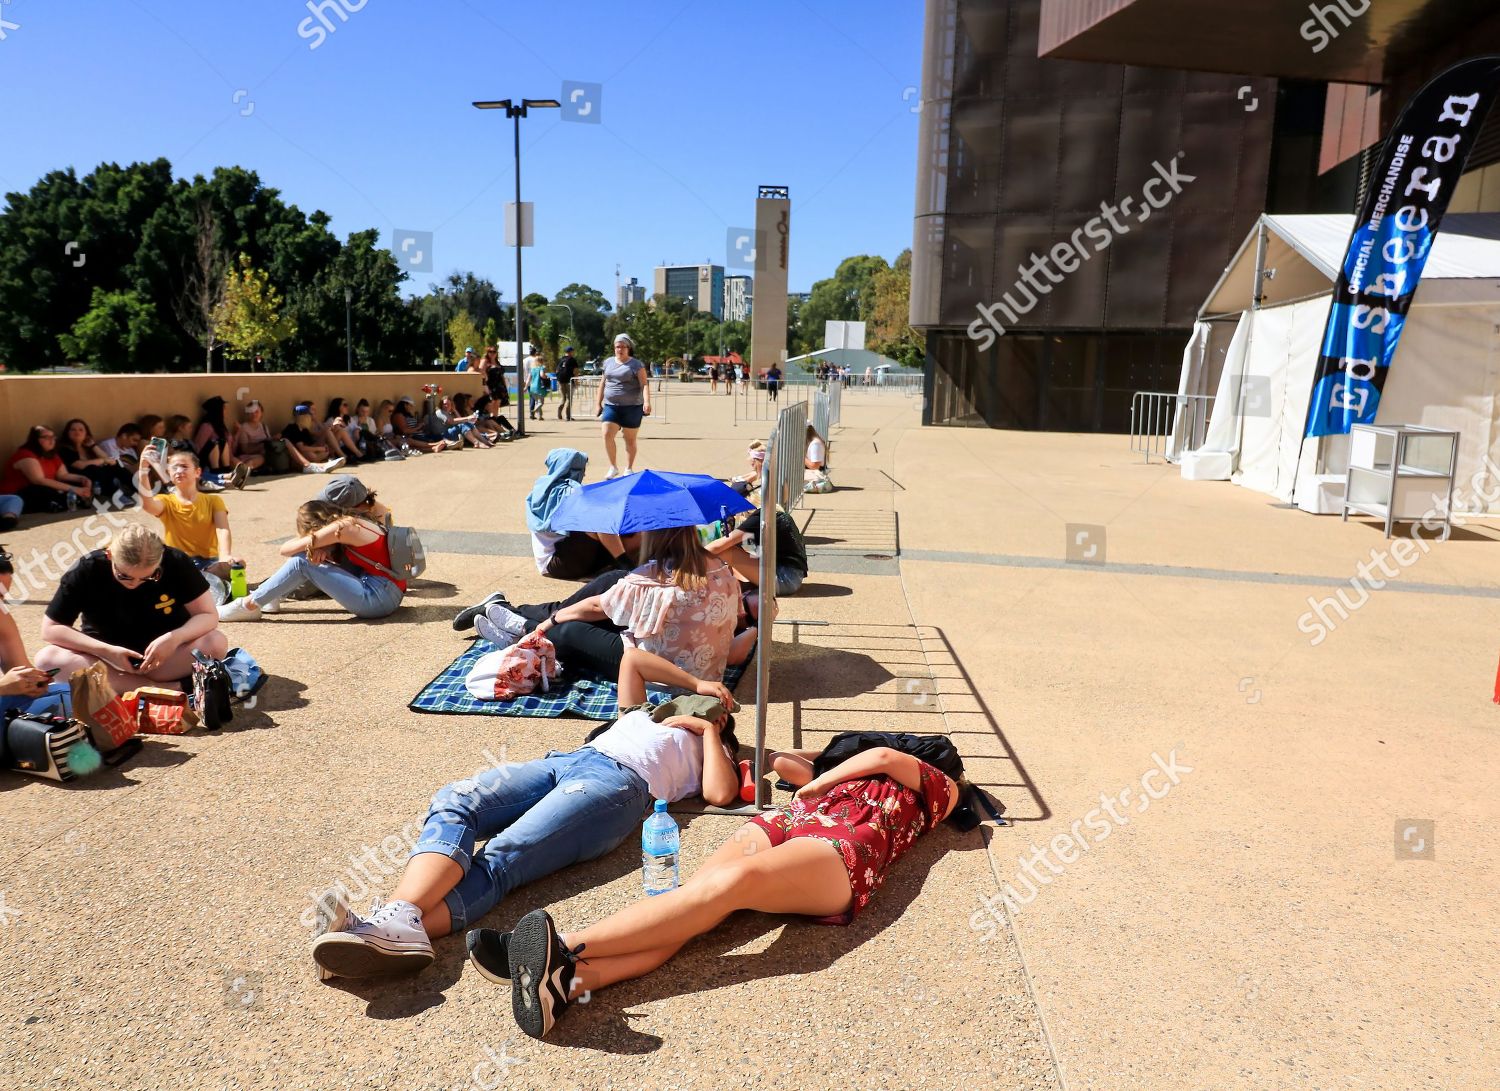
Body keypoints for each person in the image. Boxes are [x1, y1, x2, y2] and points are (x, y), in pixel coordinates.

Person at [306, 645, 740, 981]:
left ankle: (383, 927)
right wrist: (699, 684)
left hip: (619, 786)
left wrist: (707, 730)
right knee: (458, 798)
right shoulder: (641, 713)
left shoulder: (710, 748)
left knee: (504, 856)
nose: (690, 709)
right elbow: (633, 659)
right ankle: (390, 926)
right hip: (568, 760)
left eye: (703, 710)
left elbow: (721, 794)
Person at [480, 743, 960, 1038]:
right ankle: (566, 985)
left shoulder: (942, 785)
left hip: (841, 844)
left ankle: (561, 947)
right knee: (693, 902)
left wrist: (825, 783)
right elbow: (785, 766)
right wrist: (817, 763)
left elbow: (884, 758)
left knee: (734, 884)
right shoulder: (850, 772)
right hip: (791, 822)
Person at [473, 526, 745, 686]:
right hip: (704, 667)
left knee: (569, 630)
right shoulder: (721, 568)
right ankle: (519, 624)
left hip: (660, 673)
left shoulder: (654, 575)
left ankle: (523, 629)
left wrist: (550, 623)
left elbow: (595, 607)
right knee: (613, 582)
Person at [34, 524, 228, 694]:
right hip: (107, 663)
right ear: (109, 555)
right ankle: (164, 688)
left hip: (166, 658)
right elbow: (51, 628)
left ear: (160, 560)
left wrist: (175, 638)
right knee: (47, 659)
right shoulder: (87, 569)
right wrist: (107, 651)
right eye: (124, 576)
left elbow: (208, 615)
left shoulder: (176, 562)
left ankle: (129, 686)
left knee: (216, 642)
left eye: (149, 577)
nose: (134, 584)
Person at [218, 500, 404, 621]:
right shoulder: (353, 521)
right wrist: (317, 548)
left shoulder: (340, 528)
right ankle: (270, 595)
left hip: (378, 599)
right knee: (311, 559)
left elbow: (286, 549)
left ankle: (248, 605)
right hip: (388, 591)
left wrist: (313, 545)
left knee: (301, 561)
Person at [523, 448, 636, 580]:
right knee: (599, 521)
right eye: (581, 469)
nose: (584, 474)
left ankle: (624, 564)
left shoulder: (540, 489)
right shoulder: (569, 492)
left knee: (617, 529)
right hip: (559, 563)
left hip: (555, 562)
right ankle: (627, 566)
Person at [136, 448, 243, 582]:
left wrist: (225, 555)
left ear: (197, 472)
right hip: (180, 564)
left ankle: (204, 582)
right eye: (174, 468)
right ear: (169, 473)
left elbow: (222, 529)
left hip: (210, 563)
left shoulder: (213, 501)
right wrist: (143, 469)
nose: (179, 471)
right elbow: (147, 505)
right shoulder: (166, 501)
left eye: (184, 466)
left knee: (238, 563)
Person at [706, 503, 808, 596]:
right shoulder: (775, 516)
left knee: (725, 550)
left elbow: (718, 547)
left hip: (783, 579)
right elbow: (754, 553)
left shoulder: (760, 517)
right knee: (730, 552)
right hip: (792, 579)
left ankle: (701, 580)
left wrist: (692, 556)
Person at [0, 425, 93, 513]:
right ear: (35, 440)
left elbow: (63, 475)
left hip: (45, 491)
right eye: (47, 437)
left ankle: (65, 501)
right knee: (41, 489)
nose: (52, 440)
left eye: (53, 437)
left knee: (76, 483)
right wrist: (75, 489)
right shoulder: (25, 454)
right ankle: (66, 501)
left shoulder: (52, 455)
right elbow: (39, 481)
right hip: (16, 495)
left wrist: (82, 478)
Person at [597, 333, 651, 479]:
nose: (619, 349)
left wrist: (646, 402)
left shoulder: (636, 365)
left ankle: (628, 468)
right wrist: (598, 403)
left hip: (632, 407)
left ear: (628, 348)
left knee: (630, 439)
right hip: (611, 406)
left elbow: (644, 384)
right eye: (617, 347)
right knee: (607, 434)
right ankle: (613, 467)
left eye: (622, 347)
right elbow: (603, 383)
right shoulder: (608, 362)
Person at [58, 418, 135, 506]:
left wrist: (93, 446)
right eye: (73, 430)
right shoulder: (65, 449)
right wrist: (102, 461)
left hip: (98, 479)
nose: (77, 432)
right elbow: (79, 465)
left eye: (81, 430)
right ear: (67, 433)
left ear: (86, 433)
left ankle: (139, 489)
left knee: (116, 464)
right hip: (79, 479)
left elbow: (108, 459)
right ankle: (117, 495)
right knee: (93, 468)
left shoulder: (87, 447)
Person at [192, 397, 248, 485]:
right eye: (224, 408)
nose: (226, 411)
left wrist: (237, 433)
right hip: (207, 462)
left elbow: (229, 448)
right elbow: (197, 448)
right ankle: (217, 473)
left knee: (222, 442)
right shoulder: (207, 426)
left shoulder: (221, 427)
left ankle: (229, 473)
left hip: (225, 460)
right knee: (215, 443)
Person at [281, 404, 347, 473]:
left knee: (323, 452)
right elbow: (302, 448)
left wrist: (323, 448)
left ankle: (323, 465)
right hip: (297, 458)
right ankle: (321, 465)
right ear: (302, 417)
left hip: (307, 454)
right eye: (309, 416)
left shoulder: (305, 430)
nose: (310, 418)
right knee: (311, 454)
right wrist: (320, 448)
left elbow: (313, 442)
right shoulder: (293, 428)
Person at [424, 395, 494, 449]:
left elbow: (460, 420)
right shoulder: (440, 412)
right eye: (445, 404)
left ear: (452, 405)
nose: (446, 406)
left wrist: (454, 410)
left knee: (467, 424)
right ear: (441, 405)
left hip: (448, 434)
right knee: (463, 425)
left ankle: (484, 441)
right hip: (442, 436)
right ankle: (477, 443)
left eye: (449, 404)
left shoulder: (449, 413)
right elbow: (450, 422)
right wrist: (467, 418)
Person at [322, 398, 370, 464]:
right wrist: (336, 426)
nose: (347, 407)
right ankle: (358, 454)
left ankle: (358, 453)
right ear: (337, 407)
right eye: (345, 405)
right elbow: (328, 436)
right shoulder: (331, 420)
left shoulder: (349, 419)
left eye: (347, 405)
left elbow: (357, 427)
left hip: (350, 447)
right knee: (341, 431)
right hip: (337, 448)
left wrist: (357, 429)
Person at [230, 400, 270, 475]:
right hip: (250, 457)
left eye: (256, 412)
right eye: (251, 412)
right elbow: (244, 449)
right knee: (260, 459)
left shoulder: (264, 427)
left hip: (265, 455)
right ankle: (243, 471)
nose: (254, 414)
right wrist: (260, 446)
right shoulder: (244, 428)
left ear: (261, 413)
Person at [555, 346, 578, 421]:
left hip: (560, 381)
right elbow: (575, 371)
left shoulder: (561, 359)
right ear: (570, 352)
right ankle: (568, 416)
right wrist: (576, 381)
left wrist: (558, 380)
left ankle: (559, 410)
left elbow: (557, 370)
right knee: (569, 399)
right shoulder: (572, 360)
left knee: (563, 398)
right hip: (569, 381)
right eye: (572, 351)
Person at [526, 355, 550, 421]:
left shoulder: (532, 369)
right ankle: (534, 410)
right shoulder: (541, 367)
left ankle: (540, 416)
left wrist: (525, 387)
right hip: (539, 387)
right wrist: (546, 377)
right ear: (541, 361)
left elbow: (528, 379)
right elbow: (542, 375)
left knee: (537, 402)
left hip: (532, 387)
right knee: (541, 403)